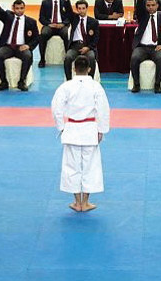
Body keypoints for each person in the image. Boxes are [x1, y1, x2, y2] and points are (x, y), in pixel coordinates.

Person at [51, 56, 110, 212]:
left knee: (72, 167)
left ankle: (77, 202)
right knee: (91, 166)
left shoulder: (66, 87)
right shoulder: (96, 87)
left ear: (73, 69)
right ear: (90, 69)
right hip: (90, 129)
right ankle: (86, 202)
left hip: (72, 129)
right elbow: (103, 110)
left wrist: (62, 127)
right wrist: (102, 130)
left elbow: (56, 109)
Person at [130, 0, 161, 93]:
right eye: (148, 6)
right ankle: (136, 84)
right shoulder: (142, 16)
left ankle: (157, 84)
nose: (150, 7)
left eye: (153, 5)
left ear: (157, 6)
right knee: (134, 58)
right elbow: (139, 4)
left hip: (156, 48)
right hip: (142, 47)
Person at [0, 0, 39, 91]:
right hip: (8, 46)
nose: (19, 10)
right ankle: (4, 81)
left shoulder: (31, 22)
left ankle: (22, 81)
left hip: (21, 47)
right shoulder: (8, 16)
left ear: (24, 8)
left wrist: (28, 46)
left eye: (21, 8)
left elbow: (37, 38)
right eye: (17, 8)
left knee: (28, 56)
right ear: (13, 8)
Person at [62, 0, 100, 80]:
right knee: (68, 57)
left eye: (83, 8)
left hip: (87, 46)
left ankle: (90, 80)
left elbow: (96, 38)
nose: (81, 10)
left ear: (87, 9)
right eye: (79, 8)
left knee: (91, 57)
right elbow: (67, 9)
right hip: (75, 46)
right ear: (77, 9)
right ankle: (68, 80)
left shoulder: (93, 22)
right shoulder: (74, 18)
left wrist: (88, 47)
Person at [38, 0, 71, 68]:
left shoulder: (65, 1)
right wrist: (49, 24)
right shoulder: (45, 2)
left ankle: (68, 58)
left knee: (67, 34)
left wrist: (63, 24)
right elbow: (41, 18)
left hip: (62, 25)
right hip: (50, 25)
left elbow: (70, 15)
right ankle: (42, 59)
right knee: (43, 34)